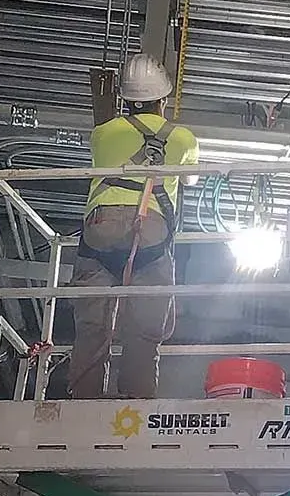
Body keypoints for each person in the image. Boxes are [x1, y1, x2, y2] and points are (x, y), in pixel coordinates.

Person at [67, 57, 198, 399]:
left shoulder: (103, 133)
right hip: (150, 233)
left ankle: (83, 400)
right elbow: (192, 180)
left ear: (126, 99)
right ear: (163, 100)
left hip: (101, 229)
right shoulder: (183, 139)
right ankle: (136, 400)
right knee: (144, 327)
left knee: (93, 325)